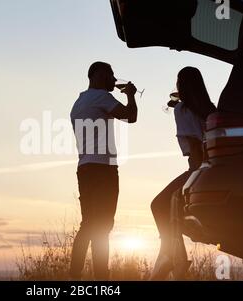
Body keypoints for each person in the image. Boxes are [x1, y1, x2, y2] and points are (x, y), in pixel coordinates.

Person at [69, 61, 139, 280]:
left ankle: (74, 275)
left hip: (85, 168)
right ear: (97, 75)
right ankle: (101, 278)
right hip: (103, 169)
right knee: (103, 225)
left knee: (89, 223)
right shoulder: (101, 97)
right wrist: (131, 95)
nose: (113, 79)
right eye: (110, 75)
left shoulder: (78, 103)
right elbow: (130, 116)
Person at [150, 67, 216, 280]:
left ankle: (171, 255)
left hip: (197, 167)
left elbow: (194, 148)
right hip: (214, 167)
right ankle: (175, 257)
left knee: (159, 205)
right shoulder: (211, 109)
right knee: (171, 208)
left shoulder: (182, 110)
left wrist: (195, 175)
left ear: (181, 85)